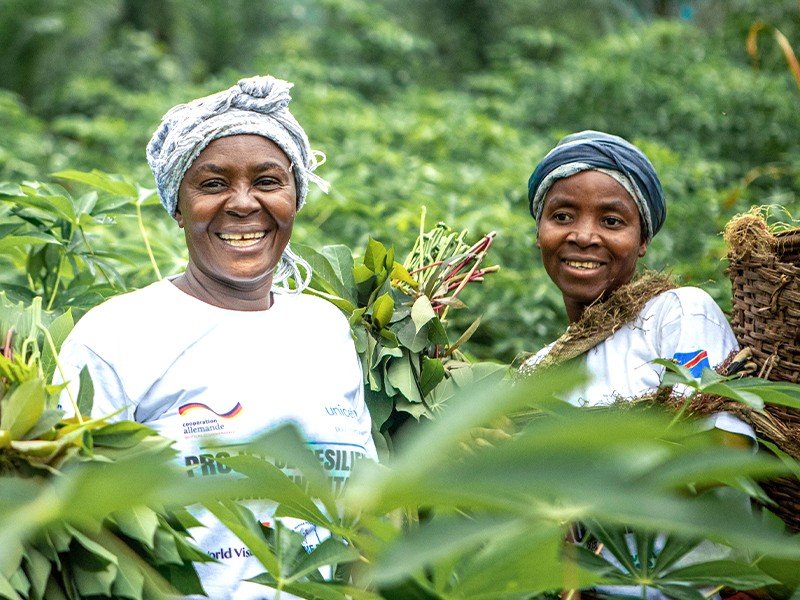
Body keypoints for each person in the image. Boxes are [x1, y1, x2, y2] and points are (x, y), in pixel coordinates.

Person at [56, 75, 377, 599]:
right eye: (212, 184)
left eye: (269, 181)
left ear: (296, 195)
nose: (243, 203)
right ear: (177, 205)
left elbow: (363, 506)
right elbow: (72, 523)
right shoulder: (116, 335)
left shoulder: (324, 329)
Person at [520, 130, 755, 598]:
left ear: (642, 240)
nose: (583, 236)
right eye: (562, 216)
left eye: (612, 220)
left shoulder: (677, 313)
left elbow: (720, 450)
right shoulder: (537, 370)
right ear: (540, 231)